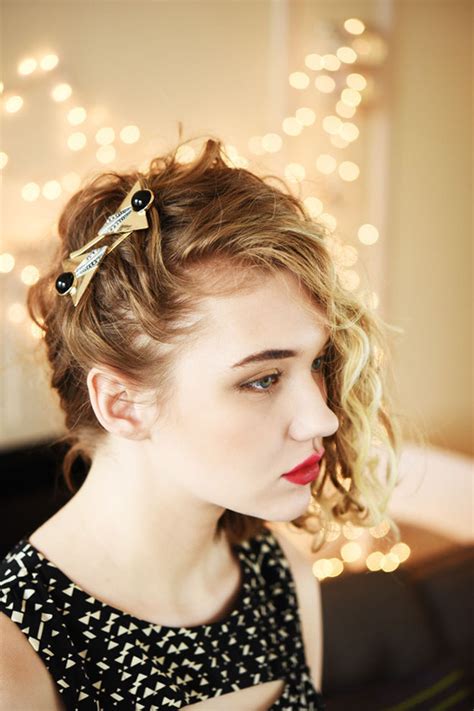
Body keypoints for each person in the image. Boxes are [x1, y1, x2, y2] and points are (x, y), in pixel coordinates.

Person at [0, 135, 402, 710]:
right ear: (123, 403)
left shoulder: (283, 576)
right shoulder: (14, 656)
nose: (322, 417)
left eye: (317, 364)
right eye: (262, 379)